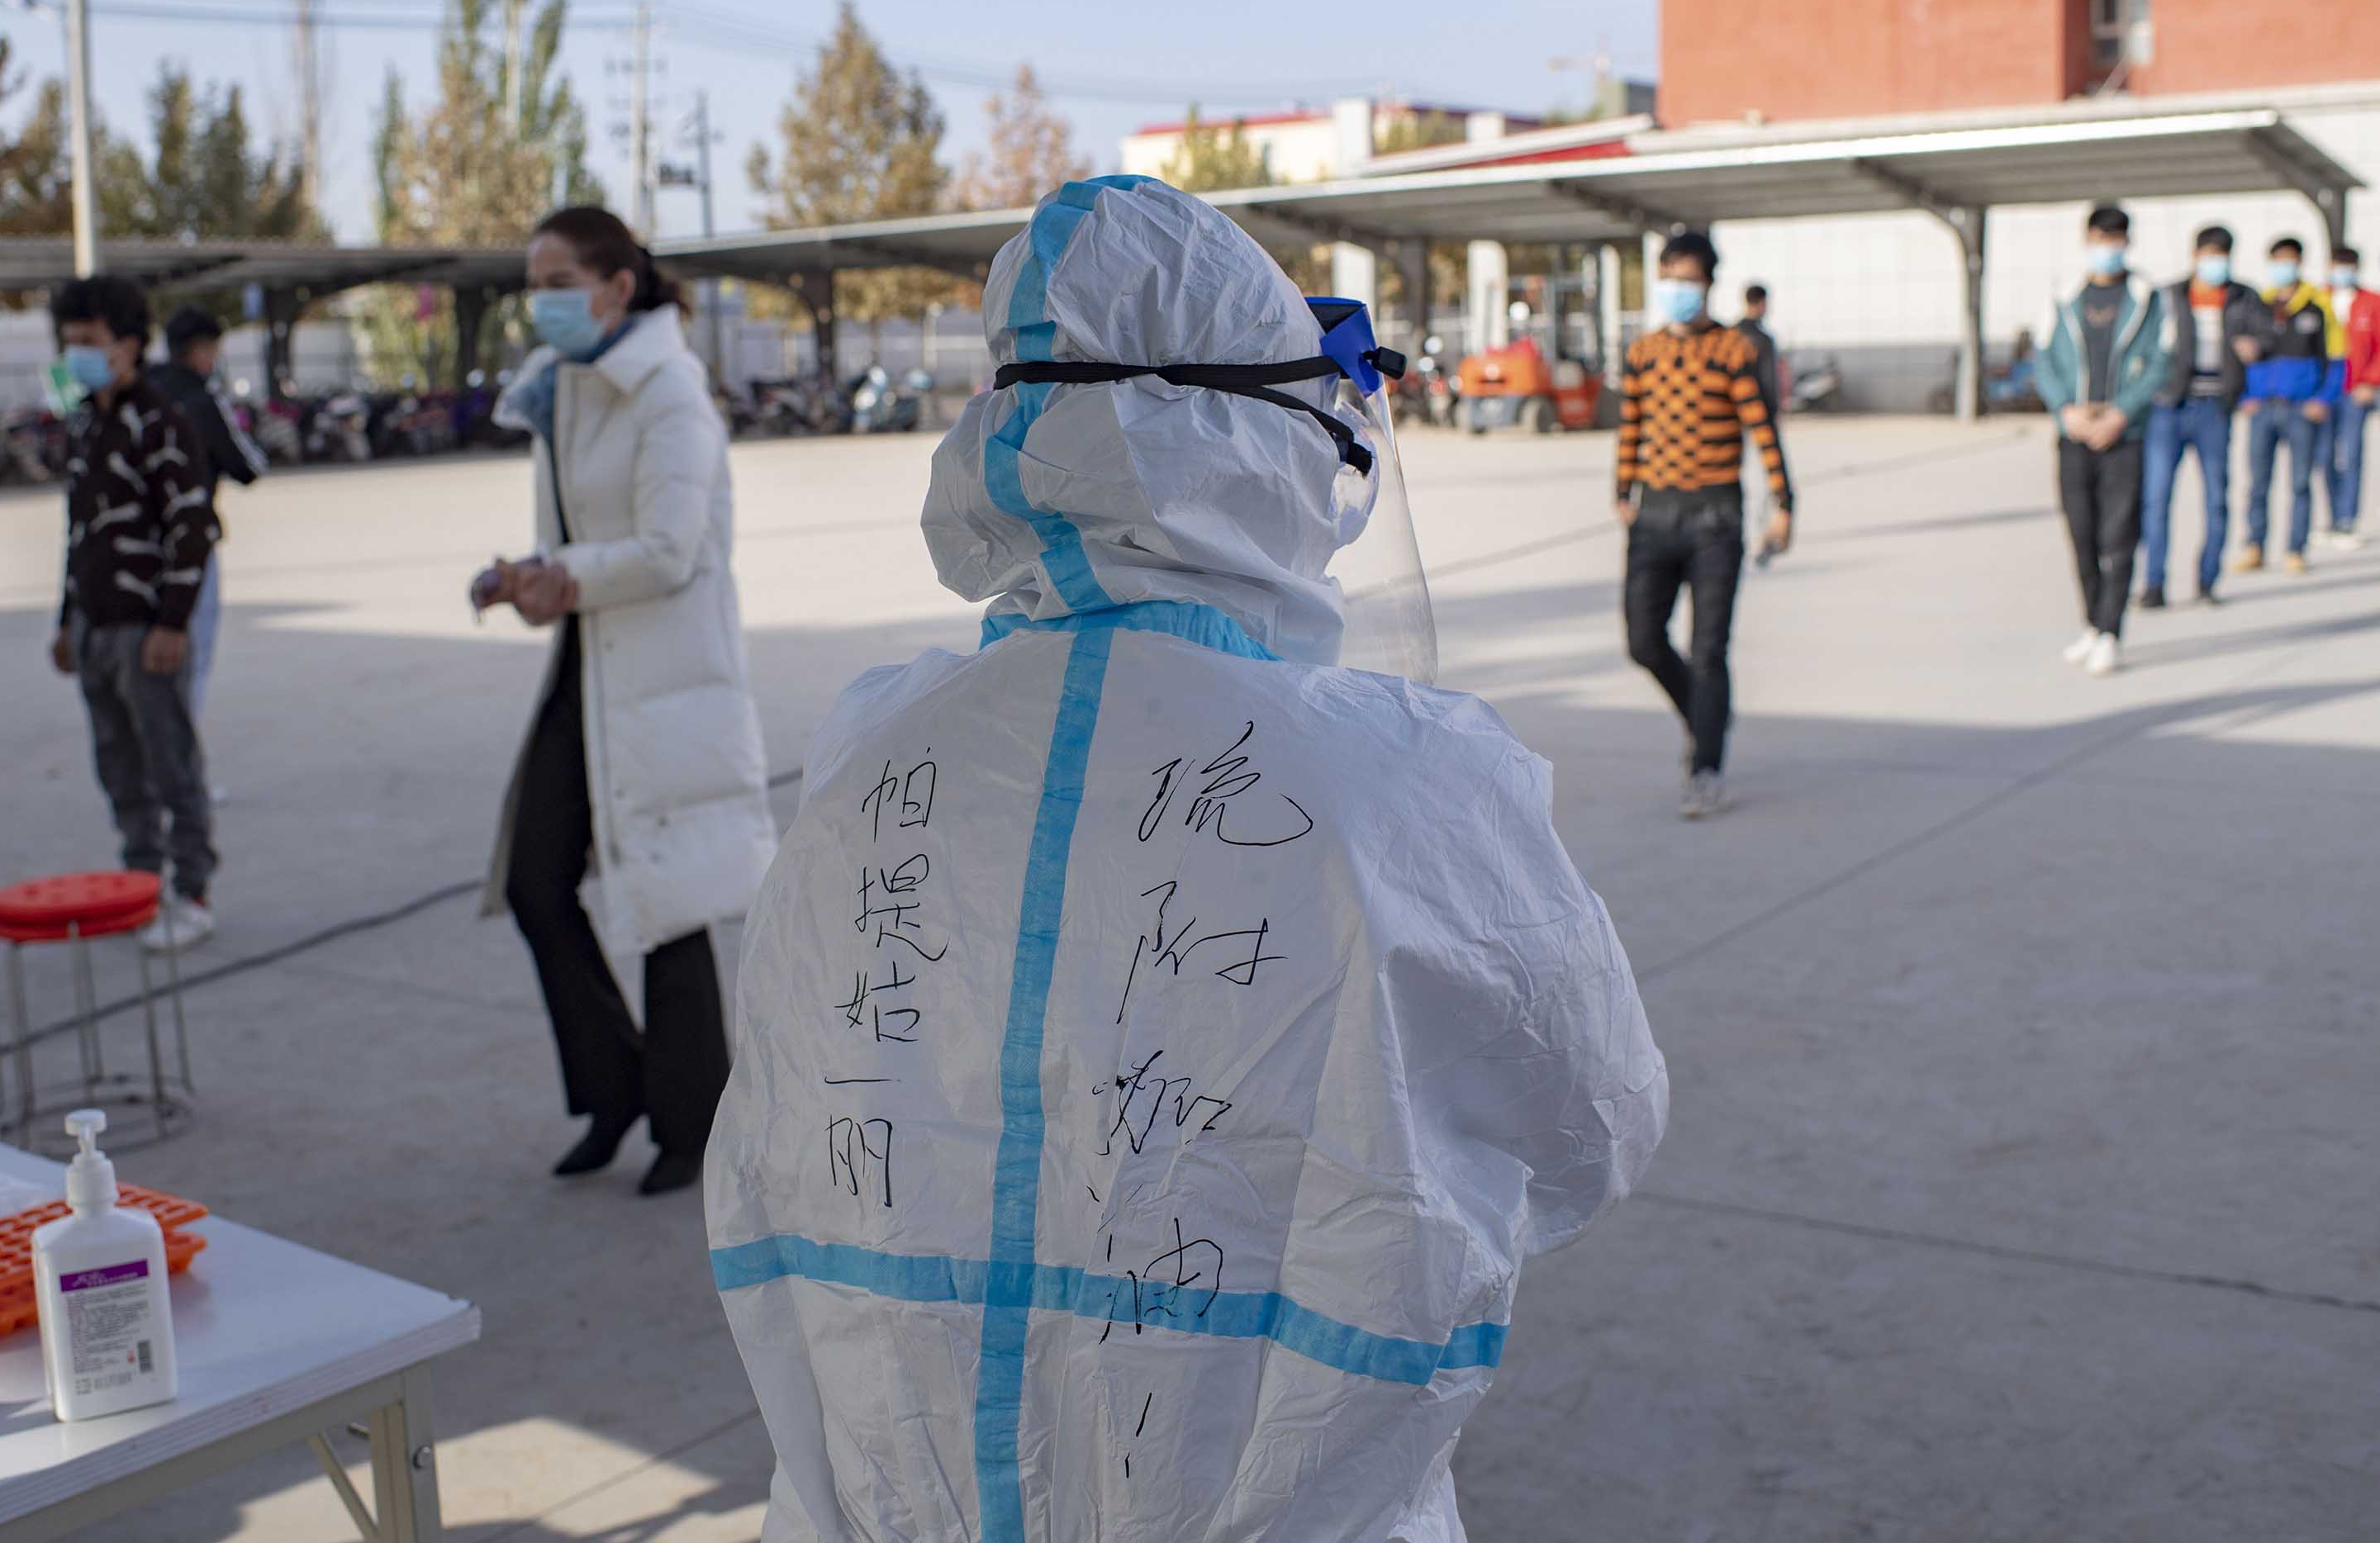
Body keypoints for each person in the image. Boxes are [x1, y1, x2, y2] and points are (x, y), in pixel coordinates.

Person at [703, 176, 1665, 1543]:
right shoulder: (1414, 779)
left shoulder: (866, 754)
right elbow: (1596, 1124)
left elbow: (773, 1145)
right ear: (1266, 448)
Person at [474, 205, 777, 1198]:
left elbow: (670, 549)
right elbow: (581, 545)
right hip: (589, 661)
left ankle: (692, 1123)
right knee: (536, 880)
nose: (541, 299)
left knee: (671, 893)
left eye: (558, 278)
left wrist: (560, 572)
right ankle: (616, 1086)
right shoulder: (563, 391)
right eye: (533, 280)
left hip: (663, 671)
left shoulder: (668, 394)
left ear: (614, 286)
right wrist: (532, 580)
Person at [47, 275, 221, 952]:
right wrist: (66, 620)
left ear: (127, 344)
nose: (77, 357)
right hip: (95, 627)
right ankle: (139, 885)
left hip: (147, 629)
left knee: (170, 762)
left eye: (88, 343)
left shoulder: (163, 423)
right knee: (118, 764)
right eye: (69, 344)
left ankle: (194, 889)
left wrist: (172, 622)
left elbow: (191, 527)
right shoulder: (86, 423)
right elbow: (78, 531)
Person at [1614, 229, 1794, 818]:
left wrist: (1783, 502)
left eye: (1687, 279)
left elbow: (1762, 429)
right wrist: (1622, 490)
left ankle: (1706, 766)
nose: (1677, 290)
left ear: (1709, 285)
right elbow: (1631, 425)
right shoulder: (1643, 353)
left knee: (1709, 645)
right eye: (1668, 278)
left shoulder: (1733, 352)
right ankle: (1705, 712)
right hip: (1655, 514)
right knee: (1643, 640)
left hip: (1716, 517)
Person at [2032, 203, 2169, 675]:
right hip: (2073, 432)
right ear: (2086, 240)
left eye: (2114, 240)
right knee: (2082, 533)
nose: (2106, 249)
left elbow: (2159, 365)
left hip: (2122, 434)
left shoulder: (2148, 298)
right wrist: (2064, 411)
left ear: (2127, 242)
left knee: (2119, 535)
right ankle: (2092, 623)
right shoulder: (2064, 296)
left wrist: (2121, 413)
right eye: (2098, 239)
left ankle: (2111, 630)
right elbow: (2044, 361)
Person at [2138, 226, 2267, 610]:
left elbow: (2272, 337)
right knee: (2157, 497)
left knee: (2215, 497)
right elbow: (2144, 344)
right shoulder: (2169, 296)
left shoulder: (2244, 297)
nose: (2214, 263)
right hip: (2170, 406)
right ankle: (2154, 581)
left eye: (2221, 256)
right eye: (2209, 255)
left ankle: (2208, 578)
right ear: (2195, 256)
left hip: (2216, 409)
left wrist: (2255, 348)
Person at [151, 306, 265, 718]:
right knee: (190, 657)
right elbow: (248, 467)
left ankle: (154, 770)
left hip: (137, 547)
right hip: (191, 543)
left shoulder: (139, 390)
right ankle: (183, 773)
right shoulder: (203, 398)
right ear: (201, 350)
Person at [2236, 235, 2333, 575]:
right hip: (2263, 407)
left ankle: (2296, 548)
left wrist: (2322, 398)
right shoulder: (2259, 305)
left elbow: (2335, 359)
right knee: (2258, 482)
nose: (2283, 268)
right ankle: (2255, 545)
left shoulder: (2317, 306)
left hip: (2300, 408)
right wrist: (2246, 396)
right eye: (2277, 260)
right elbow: (2246, 357)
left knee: (2300, 482)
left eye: (2289, 260)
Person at [2317, 245, 2375, 549]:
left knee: (2351, 455)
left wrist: (2370, 381)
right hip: (2326, 390)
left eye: (2348, 266)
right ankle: (2331, 516)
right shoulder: (2317, 299)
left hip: (2356, 391)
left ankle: (2347, 519)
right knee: (2324, 455)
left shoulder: (2371, 302)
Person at [1736, 280, 1782, 418]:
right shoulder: (1763, 340)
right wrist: (1773, 409)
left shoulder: (1731, 335)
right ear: (1763, 303)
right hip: (1760, 408)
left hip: (1735, 407)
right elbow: (1769, 378)